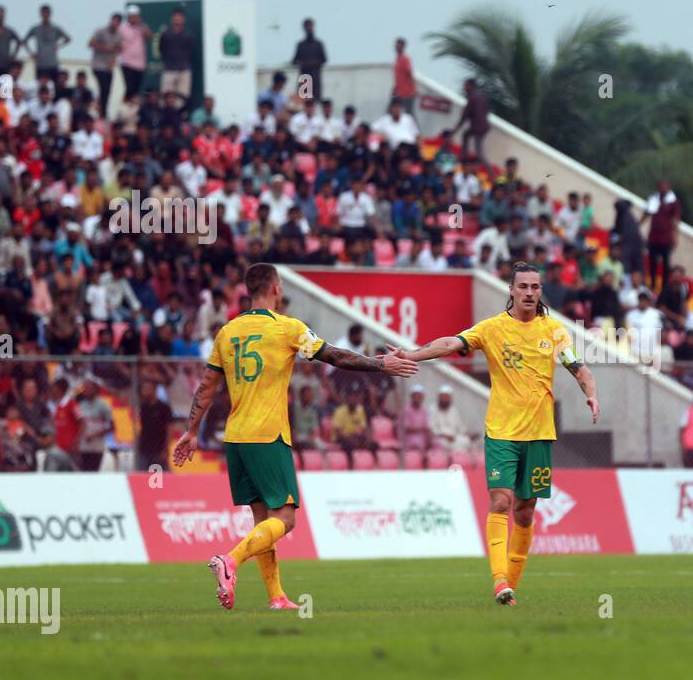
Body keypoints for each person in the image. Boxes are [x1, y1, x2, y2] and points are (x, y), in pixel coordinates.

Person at [173, 263, 419, 611]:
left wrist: (190, 431)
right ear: (275, 288)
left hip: (236, 437)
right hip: (268, 435)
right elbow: (333, 356)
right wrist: (381, 365)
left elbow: (207, 385)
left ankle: (276, 597)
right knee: (286, 519)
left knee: (264, 521)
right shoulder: (287, 328)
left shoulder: (228, 332)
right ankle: (229, 561)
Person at [396, 262, 599, 605]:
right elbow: (451, 342)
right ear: (511, 290)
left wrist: (591, 393)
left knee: (525, 509)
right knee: (501, 501)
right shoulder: (492, 329)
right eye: (523, 287)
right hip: (502, 432)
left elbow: (578, 368)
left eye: (535, 287)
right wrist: (413, 354)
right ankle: (499, 580)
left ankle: (511, 591)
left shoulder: (554, 332)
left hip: (539, 434)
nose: (530, 293)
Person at [643, 180, 680, 293]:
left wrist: (675, 236)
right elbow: (647, 213)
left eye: (664, 187)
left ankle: (664, 287)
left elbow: (676, 219)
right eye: (660, 187)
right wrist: (638, 224)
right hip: (653, 237)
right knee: (652, 262)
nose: (662, 189)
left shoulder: (673, 201)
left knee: (666, 263)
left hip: (666, 239)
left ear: (668, 188)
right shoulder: (653, 199)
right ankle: (652, 284)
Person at [74, 376, 115, 472]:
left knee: (93, 471)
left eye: (89, 388)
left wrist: (95, 435)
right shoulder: (81, 405)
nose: (86, 390)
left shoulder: (103, 405)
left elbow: (112, 426)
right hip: (83, 447)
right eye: (85, 388)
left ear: (95, 389)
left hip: (96, 447)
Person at [24, 4, 70, 86]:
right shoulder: (35, 29)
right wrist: (31, 53)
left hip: (53, 63)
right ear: (40, 14)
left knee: (54, 86)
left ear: (50, 14)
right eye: (43, 13)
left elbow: (68, 39)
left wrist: (59, 45)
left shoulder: (55, 28)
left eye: (47, 13)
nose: (45, 15)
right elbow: (24, 41)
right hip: (40, 64)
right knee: (39, 87)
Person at [88, 13, 123, 116]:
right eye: (114, 20)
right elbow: (90, 43)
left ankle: (103, 111)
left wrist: (113, 59)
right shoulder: (100, 31)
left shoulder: (118, 35)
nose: (115, 23)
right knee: (103, 87)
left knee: (107, 90)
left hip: (109, 67)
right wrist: (105, 48)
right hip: (98, 65)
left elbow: (118, 49)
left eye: (117, 22)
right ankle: (101, 110)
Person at [135, 379, 174, 472]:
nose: (144, 391)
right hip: (144, 448)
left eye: (147, 388)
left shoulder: (164, 408)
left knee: (162, 477)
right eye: (143, 388)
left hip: (159, 449)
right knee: (142, 476)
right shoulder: (143, 407)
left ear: (154, 389)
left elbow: (169, 429)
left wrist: (165, 449)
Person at [158, 8, 195, 101]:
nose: (177, 19)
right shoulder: (165, 34)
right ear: (172, 19)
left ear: (184, 19)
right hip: (169, 70)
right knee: (166, 98)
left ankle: (180, 116)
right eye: (176, 17)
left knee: (183, 98)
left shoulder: (188, 35)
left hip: (184, 70)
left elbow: (190, 51)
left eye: (180, 17)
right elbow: (161, 49)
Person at [118, 6, 152, 101]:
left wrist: (141, 26)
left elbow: (150, 37)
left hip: (140, 64)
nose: (133, 18)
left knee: (136, 90)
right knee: (130, 87)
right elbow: (117, 42)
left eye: (135, 16)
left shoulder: (142, 27)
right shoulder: (122, 28)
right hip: (127, 63)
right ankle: (125, 107)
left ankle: (132, 110)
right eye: (131, 16)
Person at [453, 78, 490, 162]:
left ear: (471, 86)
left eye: (466, 85)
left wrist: (453, 132)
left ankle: (490, 172)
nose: (464, 87)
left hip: (478, 128)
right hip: (484, 126)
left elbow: (464, 117)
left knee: (479, 153)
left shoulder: (472, 98)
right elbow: (487, 109)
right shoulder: (481, 97)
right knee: (466, 135)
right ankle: (464, 157)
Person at [292, 18, 327, 101]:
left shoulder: (319, 44)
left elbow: (324, 59)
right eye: (307, 26)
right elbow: (294, 61)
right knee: (302, 104)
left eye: (310, 26)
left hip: (315, 80)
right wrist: (303, 64)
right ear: (304, 28)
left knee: (316, 103)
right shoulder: (300, 45)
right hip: (304, 80)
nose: (309, 28)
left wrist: (313, 63)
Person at [429, 384, 470, 451]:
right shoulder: (433, 409)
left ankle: (459, 460)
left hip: (454, 437)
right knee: (444, 444)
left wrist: (465, 433)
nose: (445, 399)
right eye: (443, 397)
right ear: (439, 397)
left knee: (466, 441)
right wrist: (444, 435)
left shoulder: (453, 410)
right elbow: (432, 428)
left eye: (447, 397)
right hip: (440, 437)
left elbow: (459, 425)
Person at [392, 37, 416, 114]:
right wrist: (395, 88)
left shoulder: (405, 59)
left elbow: (409, 73)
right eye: (396, 45)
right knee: (393, 111)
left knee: (409, 114)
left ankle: (414, 126)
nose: (396, 47)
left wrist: (413, 89)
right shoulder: (397, 59)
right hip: (399, 93)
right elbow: (398, 77)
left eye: (399, 45)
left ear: (403, 46)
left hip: (407, 93)